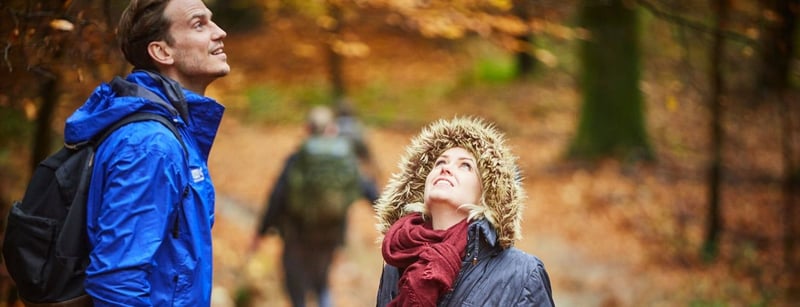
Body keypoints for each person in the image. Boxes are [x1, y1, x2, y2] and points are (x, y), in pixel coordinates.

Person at [62, 0, 229, 305]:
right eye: (199, 24)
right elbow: (116, 281)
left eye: (212, 20)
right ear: (162, 51)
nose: (220, 32)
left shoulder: (169, 130)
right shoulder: (150, 145)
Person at [374, 117, 556, 306]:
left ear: (487, 193)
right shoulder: (397, 262)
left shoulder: (523, 274)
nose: (445, 168)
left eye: (465, 165)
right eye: (440, 162)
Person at [252, 106, 376, 307]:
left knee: (296, 288)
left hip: (297, 234)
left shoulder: (299, 158)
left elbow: (277, 197)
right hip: (331, 234)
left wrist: (261, 231)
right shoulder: (345, 157)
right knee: (322, 285)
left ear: (308, 128)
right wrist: (393, 219)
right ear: (332, 129)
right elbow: (369, 189)